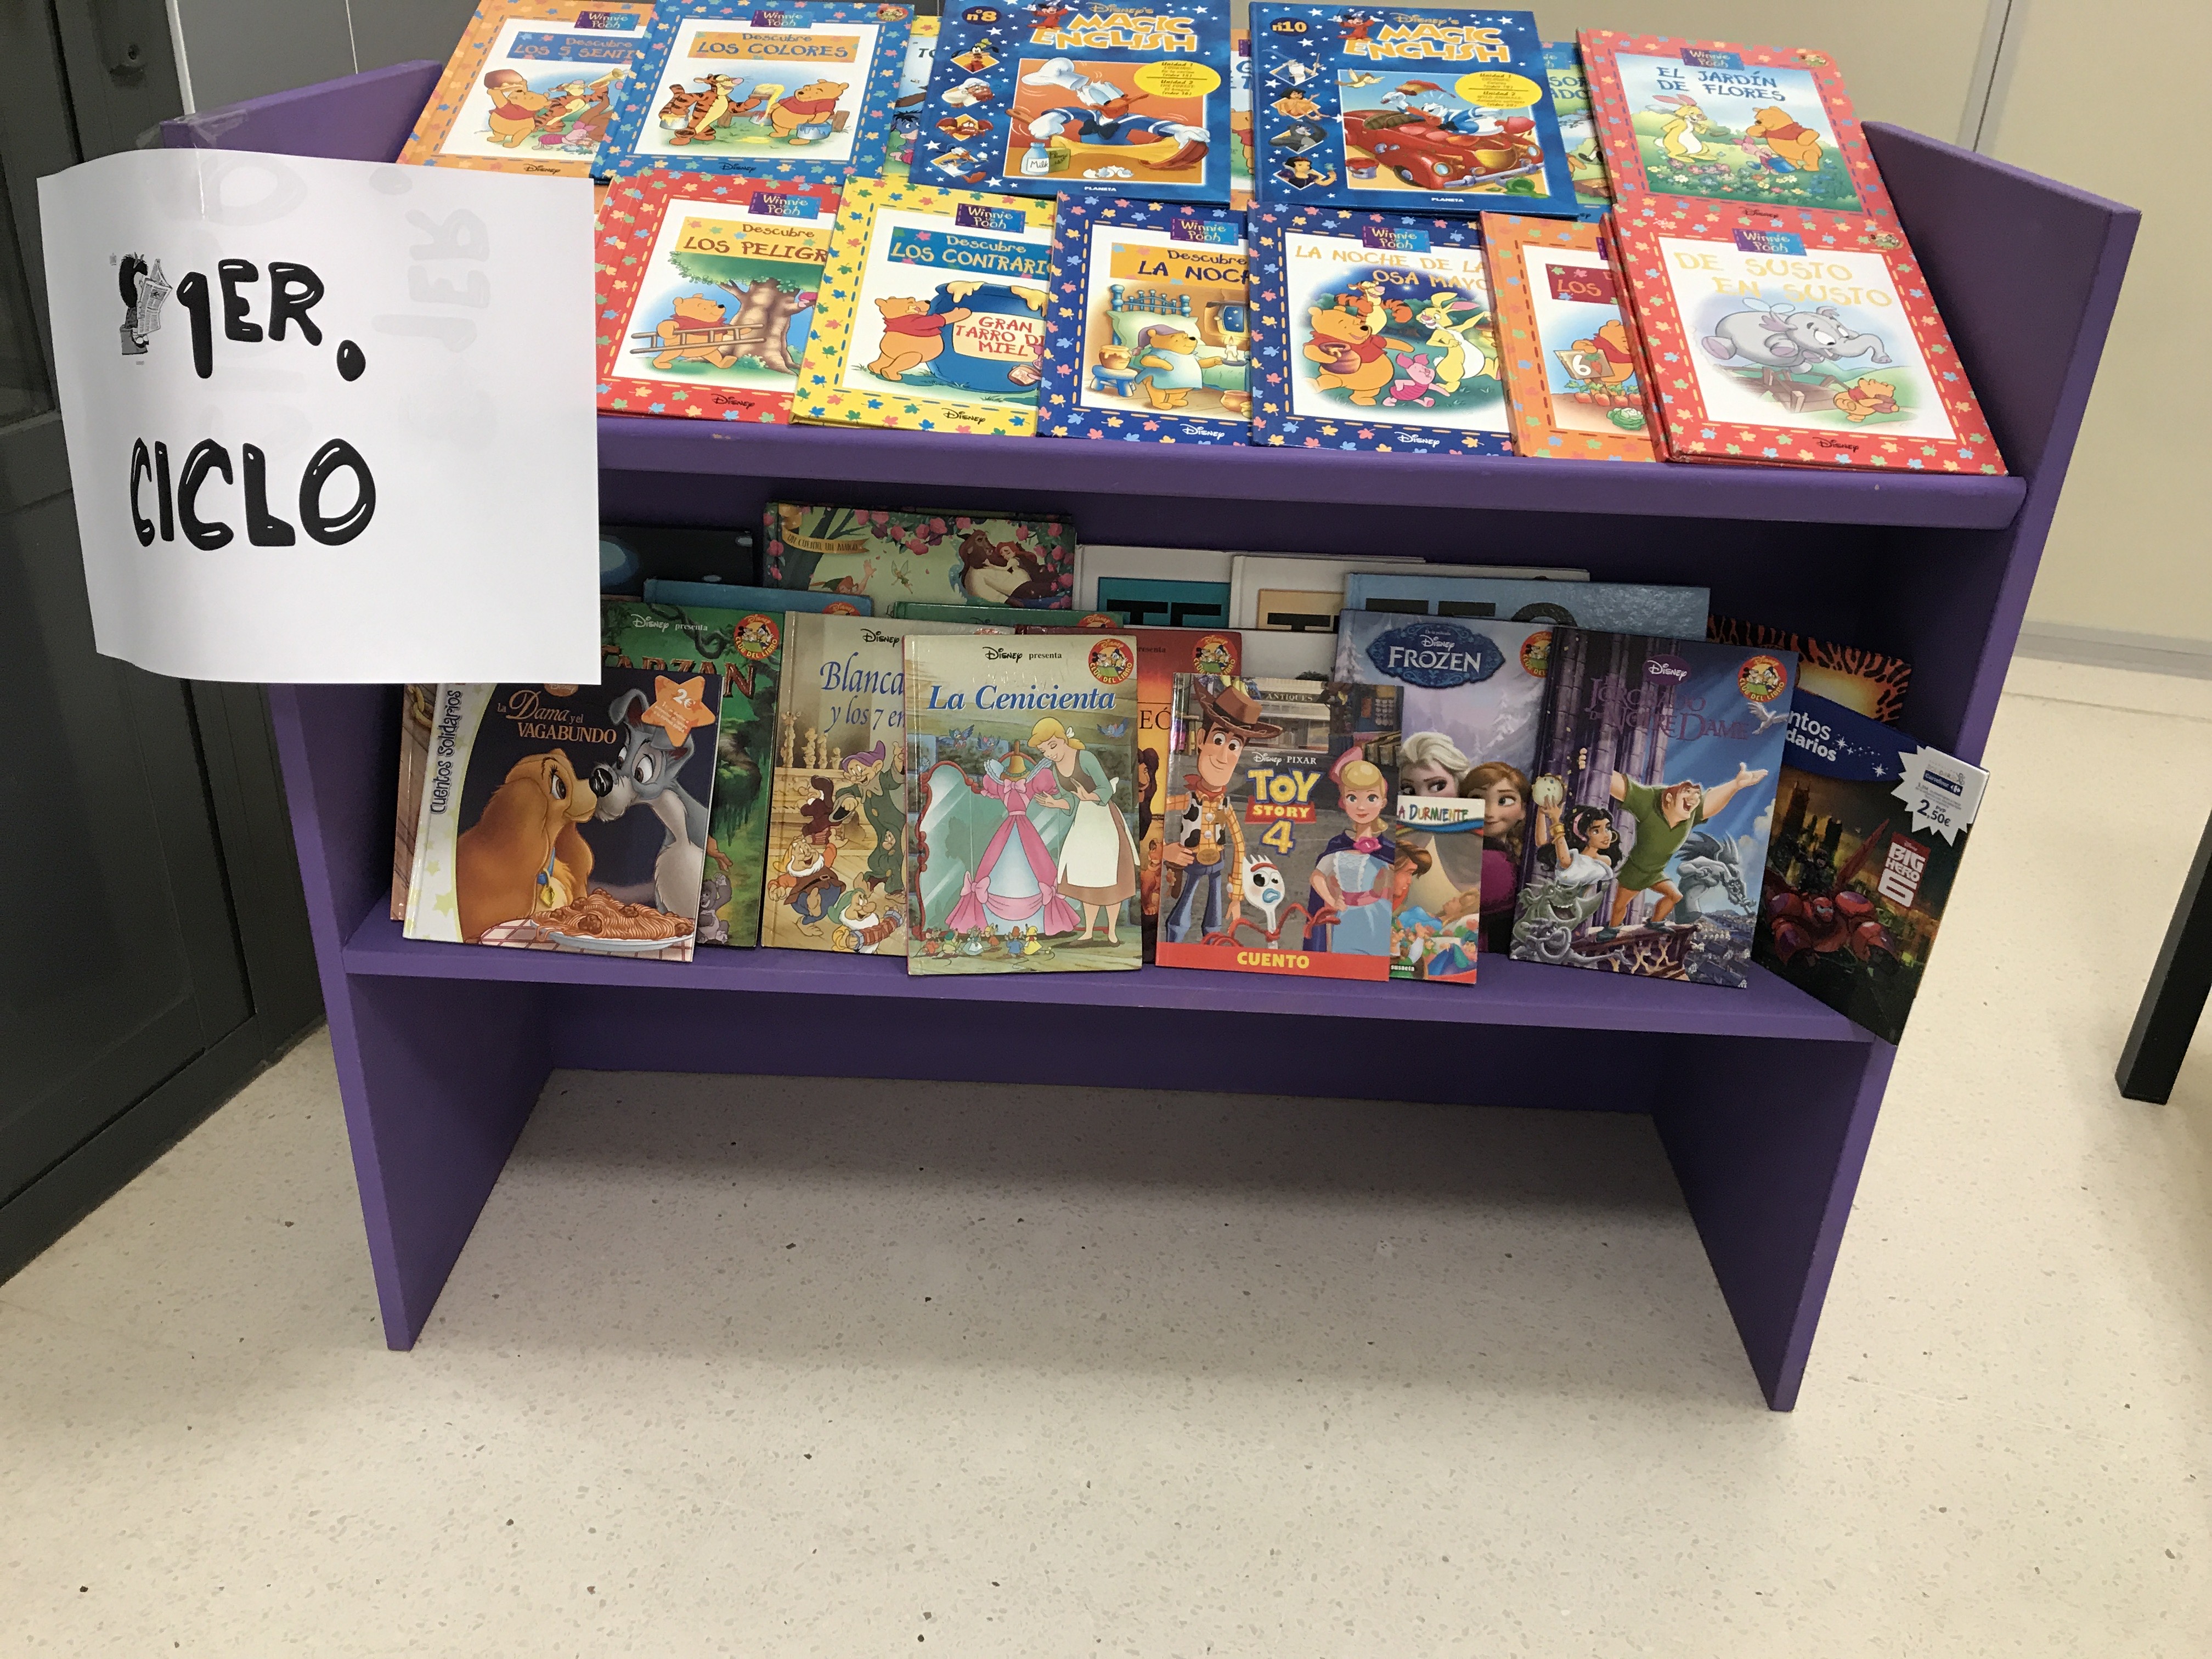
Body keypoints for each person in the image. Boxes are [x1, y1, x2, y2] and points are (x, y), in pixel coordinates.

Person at [1161, 681, 1281, 944]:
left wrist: (1236, 896)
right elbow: (1150, 813)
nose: (1223, 757)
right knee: (1183, 908)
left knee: (1214, 916)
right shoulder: (1186, 799)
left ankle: (1212, 946)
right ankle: (1173, 945)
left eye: (1234, 746)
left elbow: (1239, 844)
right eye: (1218, 741)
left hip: (1217, 864)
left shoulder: (1226, 807)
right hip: (1192, 862)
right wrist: (1163, 851)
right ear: (1201, 740)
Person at [1602, 761, 1768, 930]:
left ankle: (1655, 923)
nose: (1694, 797)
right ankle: (1612, 930)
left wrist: (1736, 784)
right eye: (1687, 791)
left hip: (1655, 872)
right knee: (1620, 906)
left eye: (1697, 794)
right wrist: (1592, 760)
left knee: (1675, 896)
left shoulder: (1692, 814)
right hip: (1636, 870)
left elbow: (1710, 802)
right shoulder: (1650, 800)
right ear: (1669, 798)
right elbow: (1621, 786)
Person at [1030, 716, 1138, 945]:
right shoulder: (1055, 769)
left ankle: (1112, 933)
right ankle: (1088, 932)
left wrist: (1090, 796)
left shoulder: (1085, 758)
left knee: (1110, 873)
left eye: (1052, 746)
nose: (1050, 754)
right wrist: (1055, 803)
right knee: (1086, 874)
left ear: (1062, 739)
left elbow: (1105, 788)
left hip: (1103, 817)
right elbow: (1070, 799)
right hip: (1083, 821)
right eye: (1044, 751)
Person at [1305, 747, 1395, 955]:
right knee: (1344, 959)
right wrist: (1331, 900)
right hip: (1345, 916)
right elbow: (1317, 876)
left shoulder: (1388, 850)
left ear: (1383, 803)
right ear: (1344, 803)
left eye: (1371, 798)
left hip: (1377, 915)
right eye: (1353, 798)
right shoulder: (1338, 845)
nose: (1361, 807)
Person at [1463, 759, 1528, 955]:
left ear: (1523, 810)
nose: (1490, 813)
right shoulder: (1488, 859)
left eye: (1504, 801)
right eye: (1478, 800)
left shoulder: (1514, 850)